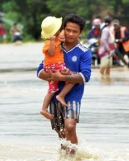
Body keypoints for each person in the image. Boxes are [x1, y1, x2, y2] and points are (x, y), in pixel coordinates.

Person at [37, 13, 91, 153]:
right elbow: (39, 72)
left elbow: (85, 76)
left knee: (70, 127)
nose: (71, 34)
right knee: (60, 132)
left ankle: (74, 157)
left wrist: (62, 77)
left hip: (73, 96)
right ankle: (66, 157)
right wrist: (53, 76)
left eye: (75, 31)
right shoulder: (55, 47)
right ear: (63, 29)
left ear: (81, 32)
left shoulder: (84, 52)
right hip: (54, 95)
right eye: (68, 30)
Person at [40, 16, 75, 120]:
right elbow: (51, 53)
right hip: (54, 66)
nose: (61, 30)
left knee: (52, 89)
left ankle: (43, 109)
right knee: (72, 78)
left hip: (56, 66)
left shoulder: (58, 40)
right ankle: (61, 96)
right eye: (59, 29)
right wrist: (51, 42)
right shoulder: (48, 43)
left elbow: (64, 39)